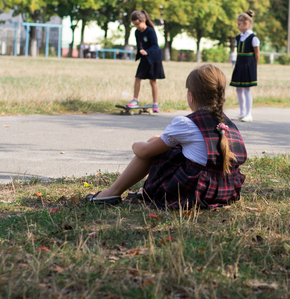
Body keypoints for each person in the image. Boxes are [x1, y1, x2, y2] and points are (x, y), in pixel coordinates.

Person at [86, 64, 247, 209]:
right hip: (227, 191)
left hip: (198, 192)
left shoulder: (185, 124)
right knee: (159, 140)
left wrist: (135, 145)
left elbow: (145, 152)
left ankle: (111, 193)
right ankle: (139, 191)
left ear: (191, 96)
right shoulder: (227, 123)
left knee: (152, 145)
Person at [125, 10, 165, 113]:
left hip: (154, 58)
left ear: (143, 20)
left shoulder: (150, 31)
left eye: (137, 24)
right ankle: (135, 100)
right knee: (138, 78)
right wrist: (138, 53)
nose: (136, 26)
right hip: (145, 58)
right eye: (134, 24)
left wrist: (146, 52)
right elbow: (139, 45)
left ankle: (155, 104)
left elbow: (155, 46)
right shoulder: (137, 32)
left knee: (152, 81)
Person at [230, 10, 260, 123]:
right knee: (238, 89)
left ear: (246, 23)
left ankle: (249, 114)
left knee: (247, 89)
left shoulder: (253, 38)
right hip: (239, 64)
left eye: (239, 24)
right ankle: (242, 112)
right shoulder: (238, 38)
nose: (238, 26)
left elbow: (257, 53)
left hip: (249, 65)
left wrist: (255, 66)